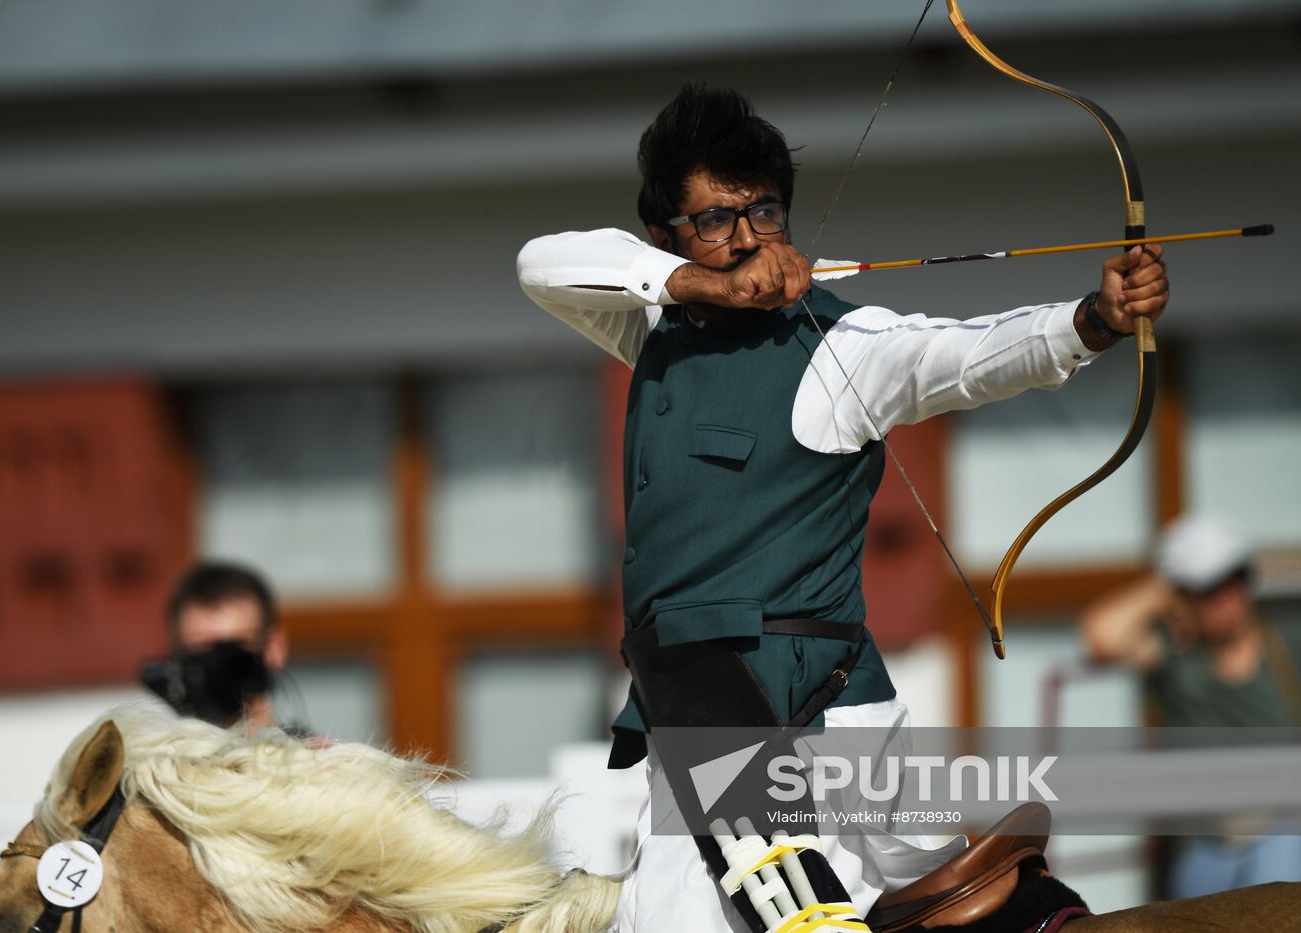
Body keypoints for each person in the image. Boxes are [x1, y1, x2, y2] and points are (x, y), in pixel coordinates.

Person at [517, 84, 1169, 932]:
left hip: (814, 727)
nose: (748, 236)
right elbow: (542, 262)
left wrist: (1092, 321)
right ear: (665, 236)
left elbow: (960, 356)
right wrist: (687, 284)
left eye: (766, 212)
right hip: (700, 705)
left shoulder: (842, 347)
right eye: (717, 219)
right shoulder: (652, 330)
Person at [1081, 514, 1301, 898]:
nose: (1229, 596)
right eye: (1211, 586)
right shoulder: (1177, 657)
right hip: (1205, 848)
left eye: (1238, 577)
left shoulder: (1287, 641)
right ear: (1184, 596)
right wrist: (1165, 587)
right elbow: (1102, 633)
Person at [142, 560, 289, 731]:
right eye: (198, 652)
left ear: (274, 648)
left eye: (232, 650)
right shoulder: (150, 755)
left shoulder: (314, 755)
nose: (215, 667)